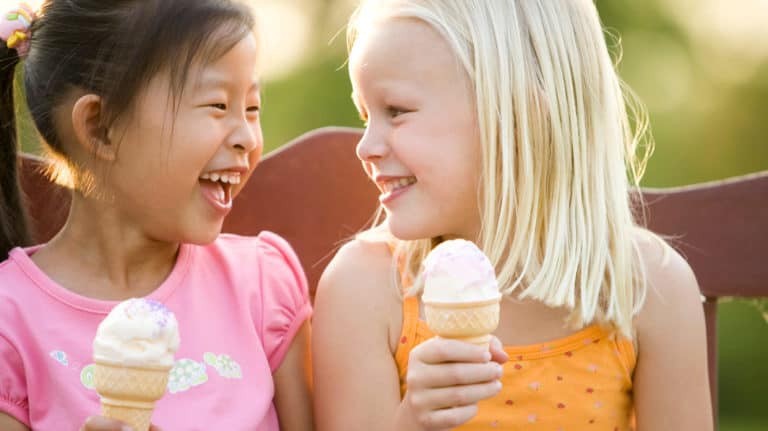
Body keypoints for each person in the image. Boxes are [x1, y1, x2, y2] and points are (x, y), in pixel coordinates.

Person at [312, 1, 713, 430]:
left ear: (520, 117)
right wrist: (413, 420)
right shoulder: (366, 290)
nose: (366, 145)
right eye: (365, 115)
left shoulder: (646, 288)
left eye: (396, 111)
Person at [0, 1, 313, 430]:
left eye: (252, 108)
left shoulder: (262, 288)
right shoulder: (11, 322)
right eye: (218, 105)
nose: (246, 137)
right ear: (100, 127)